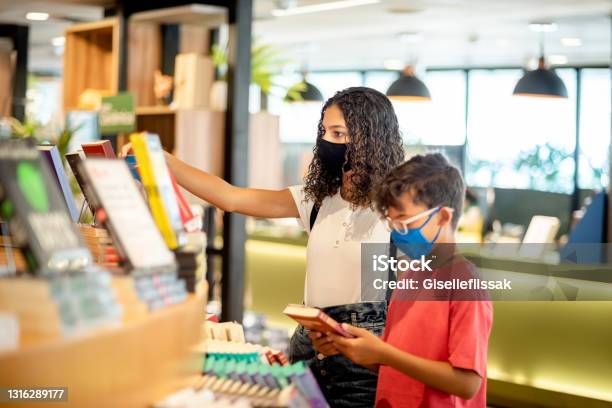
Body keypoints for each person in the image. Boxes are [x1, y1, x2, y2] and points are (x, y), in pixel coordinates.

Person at [122, 87, 405, 407]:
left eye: (338, 133)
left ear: (372, 138)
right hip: (307, 353)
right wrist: (165, 162)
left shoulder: (397, 213)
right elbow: (231, 198)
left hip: (361, 367)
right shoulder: (318, 201)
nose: (327, 140)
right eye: (324, 131)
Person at [327, 153, 493, 408]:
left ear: (443, 218)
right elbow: (400, 358)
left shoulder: (465, 284)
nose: (397, 233)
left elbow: (467, 383)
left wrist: (384, 354)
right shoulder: (412, 274)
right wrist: (352, 346)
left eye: (405, 223)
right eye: (392, 224)